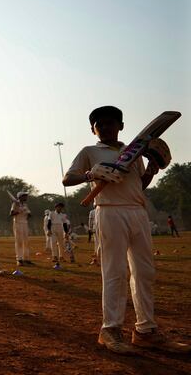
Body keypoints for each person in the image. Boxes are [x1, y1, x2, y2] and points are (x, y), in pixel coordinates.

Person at [63, 105, 190, 355]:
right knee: (115, 272)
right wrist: (91, 174)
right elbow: (68, 179)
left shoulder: (133, 152)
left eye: (111, 123)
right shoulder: (90, 151)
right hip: (109, 210)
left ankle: (146, 331)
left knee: (144, 272)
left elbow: (139, 185)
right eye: (100, 124)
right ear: (93, 130)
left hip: (137, 210)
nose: (106, 127)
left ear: (121, 126)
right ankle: (110, 330)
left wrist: (151, 168)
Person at [10, 191, 32, 266]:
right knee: (19, 241)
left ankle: (26, 258)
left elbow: (29, 215)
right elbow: (11, 214)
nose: (26, 197)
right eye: (24, 196)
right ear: (20, 197)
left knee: (26, 241)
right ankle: (19, 259)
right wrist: (19, 211)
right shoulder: (15, 204)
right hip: (17, 223)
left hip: (25, 223)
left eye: (26, 195)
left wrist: (28, 214)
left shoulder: (25, 204)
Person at [46, 202, 68, 268]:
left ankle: (61, 256)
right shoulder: (51, 213)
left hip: (60, 228)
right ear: (56, 207)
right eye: (59, 207)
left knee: (61, 243)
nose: (60, 208)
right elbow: (49, 222)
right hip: (53, 227)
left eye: (61, 207)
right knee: (53, 242)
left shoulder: (63, 215)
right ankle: (54, 256)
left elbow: (64, 224)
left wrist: (66, 233)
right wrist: (49, 230)